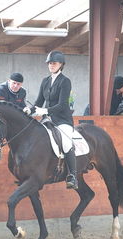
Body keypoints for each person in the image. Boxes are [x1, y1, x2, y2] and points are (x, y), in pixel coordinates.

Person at [27, 50, 78, 190]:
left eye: (54, 63)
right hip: (47, 120)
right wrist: (29, 110)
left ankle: (73, 175)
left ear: (61, 64)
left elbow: (62, 105)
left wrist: (46, 110)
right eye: (49, 63)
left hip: (62, 120)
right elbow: (38, 101)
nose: (51, 65)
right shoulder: (45, 81)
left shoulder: (65, 81)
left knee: (66, 143)